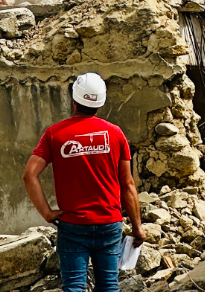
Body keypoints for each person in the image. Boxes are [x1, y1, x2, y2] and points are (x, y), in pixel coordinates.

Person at [23, 71, 146, 292]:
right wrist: (137, 228)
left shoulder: (55, 134)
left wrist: (48, 213)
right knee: (109, 286)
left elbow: (30, 174)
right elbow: (128, 184)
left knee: (74, 287)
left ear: (74, 100)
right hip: (109, 225)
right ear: (101, 101)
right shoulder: (116, 135)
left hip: (73, 226)